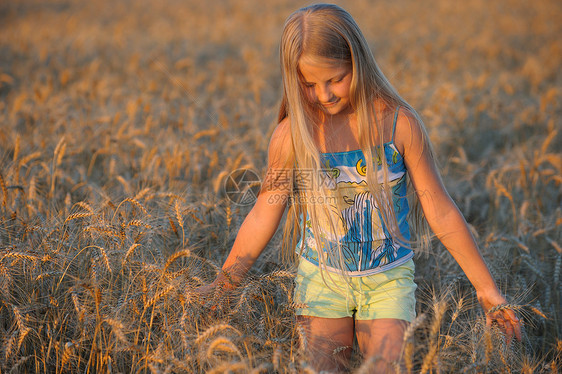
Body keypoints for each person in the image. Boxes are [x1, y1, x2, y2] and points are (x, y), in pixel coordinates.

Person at [197, 4, 521, 372]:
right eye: (308, 84)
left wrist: (487, 290)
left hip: (388, 280)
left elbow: (440, 209)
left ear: (358, 62)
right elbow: (263, 213)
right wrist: (226, 284)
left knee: (386, 367)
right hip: (321, 279)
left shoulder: (399, 125)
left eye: (335, 79)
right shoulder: (291, 137)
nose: (324, 95)